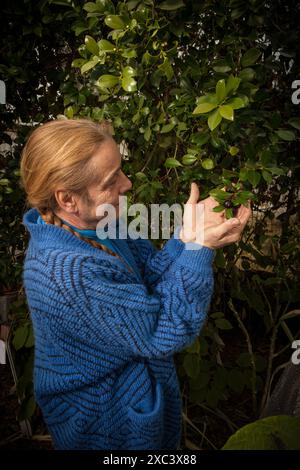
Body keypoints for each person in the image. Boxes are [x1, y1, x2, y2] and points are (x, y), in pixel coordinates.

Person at [20, 118, 251, 450]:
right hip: (107, 422)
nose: (127, 184)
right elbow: (161, 330)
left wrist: (184, 238)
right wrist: (200, 249)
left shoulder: (102, 224)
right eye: (112, 180)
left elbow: (148, 278)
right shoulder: (68, 273)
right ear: (68, 199)